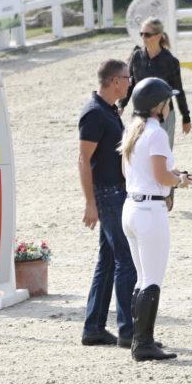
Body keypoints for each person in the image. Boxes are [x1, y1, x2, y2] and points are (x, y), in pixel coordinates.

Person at [119, 77, 192, 361]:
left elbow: (130, 173)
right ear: (157, 106)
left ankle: (139, 337)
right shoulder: (157, 133)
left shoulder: (132, 130)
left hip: (131, 208)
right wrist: (179, 181)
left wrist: (172, 177)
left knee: (142, 278)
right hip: (150, 212)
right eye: (167, 102)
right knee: (152, 280)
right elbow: (162, 176)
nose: (169, 107)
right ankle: (143, 344)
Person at [78, 59, 138, 347]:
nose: (130, 83)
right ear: (115, 81)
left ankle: (94, 327)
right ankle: (128, 330)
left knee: (109, 259)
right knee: (126, 260)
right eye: (127, 78)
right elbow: (83, 160)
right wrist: (90, 203)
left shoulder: (109, 110)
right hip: (108, 194)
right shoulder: (94, 113)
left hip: (115, 192)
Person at [119, 17, 192, 148]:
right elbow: (130, 84)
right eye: (141, 34)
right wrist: (121, 105)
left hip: (163, 115)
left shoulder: (170, 61)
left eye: (147, 34)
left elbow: (178, 91)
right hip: (139, 115)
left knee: (161, 153)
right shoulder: (136, 57)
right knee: (137, 151)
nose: (143, 37)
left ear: (158, 36)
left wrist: (186, 117)